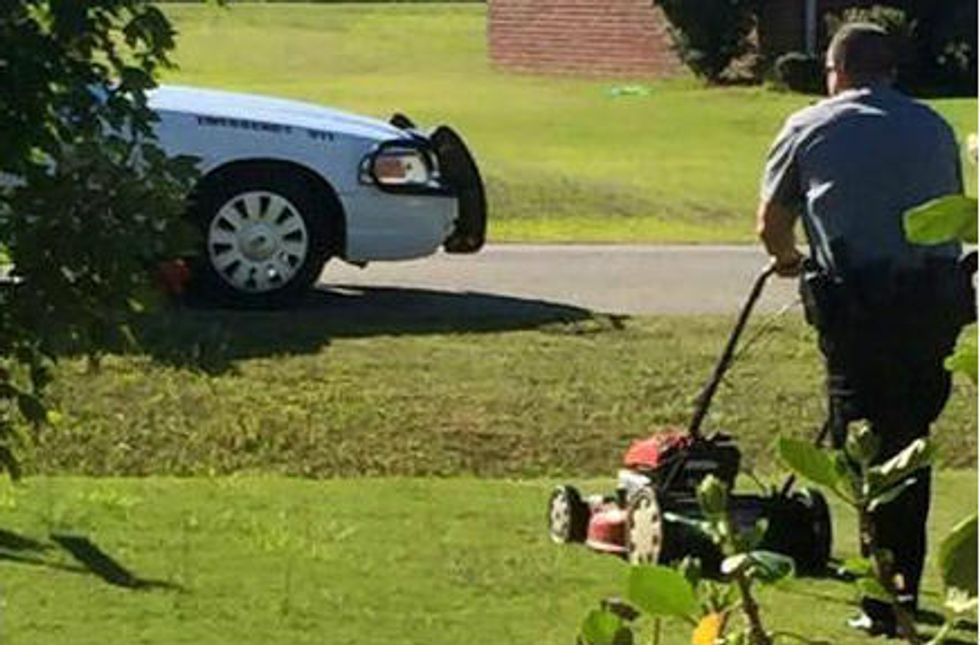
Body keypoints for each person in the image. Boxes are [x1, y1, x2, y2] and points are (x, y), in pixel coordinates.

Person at [756, 23, 972, 638]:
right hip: (934, 308)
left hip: (861, 309)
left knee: (866, 447)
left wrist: (789, 259)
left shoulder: (810, 126)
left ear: (836, 71)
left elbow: (772, 224)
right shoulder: (932, 126)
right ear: (891, 72)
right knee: (911, 438)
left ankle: (884, 600)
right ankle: (901, 581)